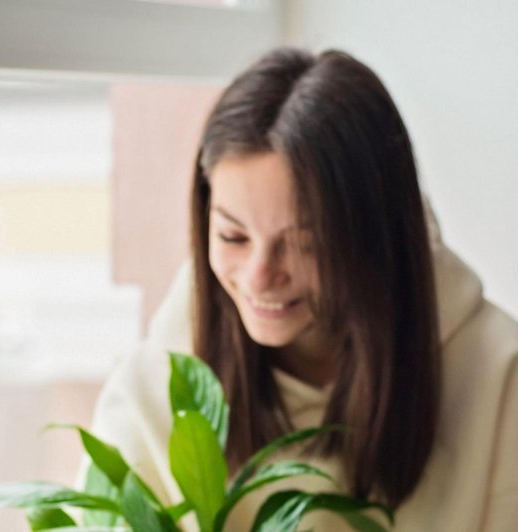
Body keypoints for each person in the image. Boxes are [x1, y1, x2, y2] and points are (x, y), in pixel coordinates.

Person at [86, 47, 518, 531]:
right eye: (233, 236)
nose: (258, 276)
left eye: (305, 245)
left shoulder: (498, 382)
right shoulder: (153, 387)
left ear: (378, 235)